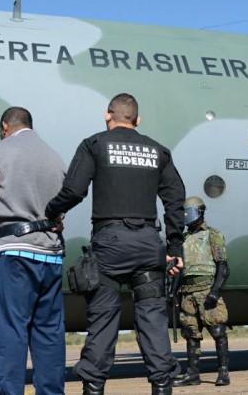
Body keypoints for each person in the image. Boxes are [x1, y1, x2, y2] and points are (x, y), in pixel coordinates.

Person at [45, 93, 186, 395]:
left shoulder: (95, 145)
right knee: (153, 322)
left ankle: (93, 387)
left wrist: (51, 212)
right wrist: (175, 248)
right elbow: (175, 200)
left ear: (108, 116)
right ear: (138, 120)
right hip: (149, 245)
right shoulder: (157, 151)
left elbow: (73, 190)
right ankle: (162, 385)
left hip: (110, 246)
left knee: (103, 323)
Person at [0, 107, 67, 395]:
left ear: (4, 126)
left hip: (12, 255)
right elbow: (60, 209)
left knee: (9, 332)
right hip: (50, 254)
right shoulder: (55, 158)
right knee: (49, 333)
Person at [172, 196, 230, 388]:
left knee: (217, 330)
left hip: (207, 290)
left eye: (189, 213)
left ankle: (223, 372)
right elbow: (180, 270)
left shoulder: (213, 235)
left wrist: (215, 291)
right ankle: (193, 373)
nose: (186, 217)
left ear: (199, 212)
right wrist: (173, 293)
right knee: (190, 333)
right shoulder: (184, 239)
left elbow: (223, 266)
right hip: (188, 292)